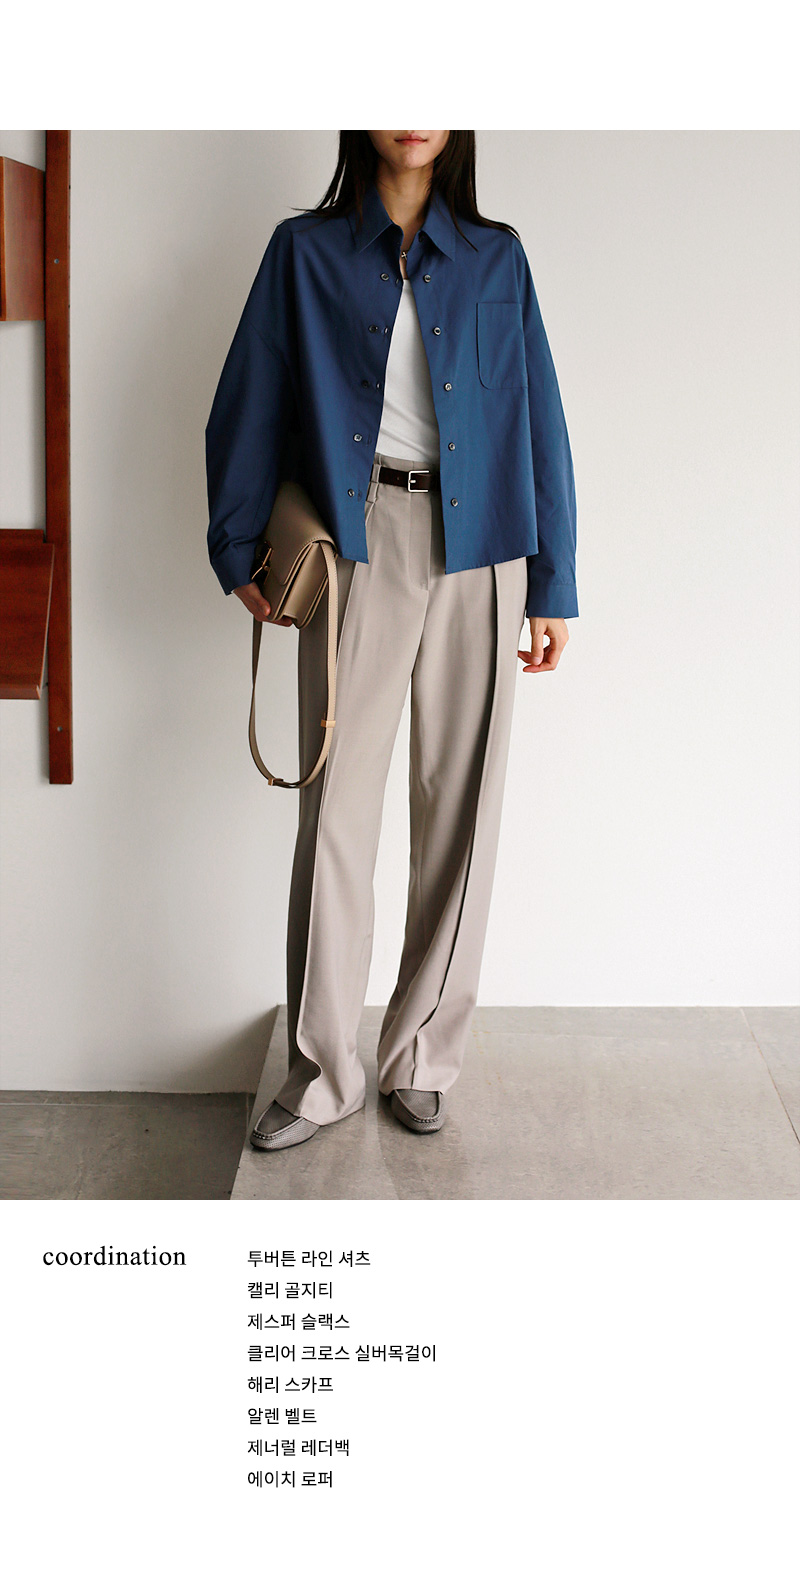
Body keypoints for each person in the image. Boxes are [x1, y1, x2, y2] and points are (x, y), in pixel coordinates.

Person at [205, 131, 578, 1151]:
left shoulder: (497, 257)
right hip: (356, 539)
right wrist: (236, 547)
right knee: (335, 811)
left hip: (484, 545)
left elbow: (539, 419)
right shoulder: (303, 251)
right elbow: (249, 399)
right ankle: (322, 1070)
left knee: (461, 812)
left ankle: (421, 1059)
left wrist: (553, 581)